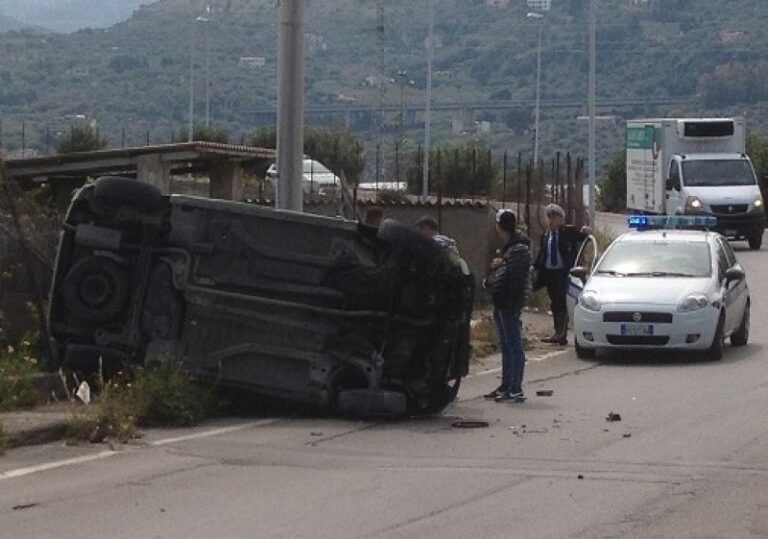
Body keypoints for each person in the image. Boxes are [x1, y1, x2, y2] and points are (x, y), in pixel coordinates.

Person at [484, 209, 531, 402]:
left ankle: (515, 388)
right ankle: (506, 385)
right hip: (502, 302)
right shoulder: (510, 249)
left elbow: (512, 277)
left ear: (501, 227)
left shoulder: (518, 249)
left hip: (509, 303)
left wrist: (497, 270)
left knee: (514, 345)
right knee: (506, 345)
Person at [533, 204, 592, 345]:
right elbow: (543, 254)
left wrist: (586, 231)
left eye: (555, 218)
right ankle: (557, 332)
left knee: (561, 302)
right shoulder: (546, 235)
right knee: (554, 303)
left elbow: (582, 237)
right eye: (549, 218)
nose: (551, 221)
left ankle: (562, 334)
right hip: (549, 273)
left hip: (562, 273)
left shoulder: (567, 232)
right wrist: (534, 266)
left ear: (560, 219)